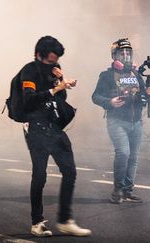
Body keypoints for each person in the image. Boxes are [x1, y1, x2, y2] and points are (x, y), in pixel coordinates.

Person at [20, 36, 91, 237]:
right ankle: (37, 222)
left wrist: (62, 81)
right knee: (40, 175)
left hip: (55, 128)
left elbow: (60, 98)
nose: (54, 63)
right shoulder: (29, 71)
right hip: (36, 128)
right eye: (50, 60)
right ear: (38, 55)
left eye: (56, 60)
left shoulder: (55, 69)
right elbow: (29, 101)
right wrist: (56, 87)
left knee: (70, 171)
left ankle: (65, 220)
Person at [92, 38, 150, 204]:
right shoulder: (107, 75)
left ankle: (127, 190)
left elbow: (144, 96)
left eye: (128, 53)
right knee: (123, 153)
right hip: (116, 121)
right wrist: (109, 102)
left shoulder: (136, 74)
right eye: (122, 53)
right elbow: (95, 96)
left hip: (136, 122)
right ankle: (117, 190)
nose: (126, 56)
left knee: (133, 157)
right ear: (114, 56)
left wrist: (149, 93)